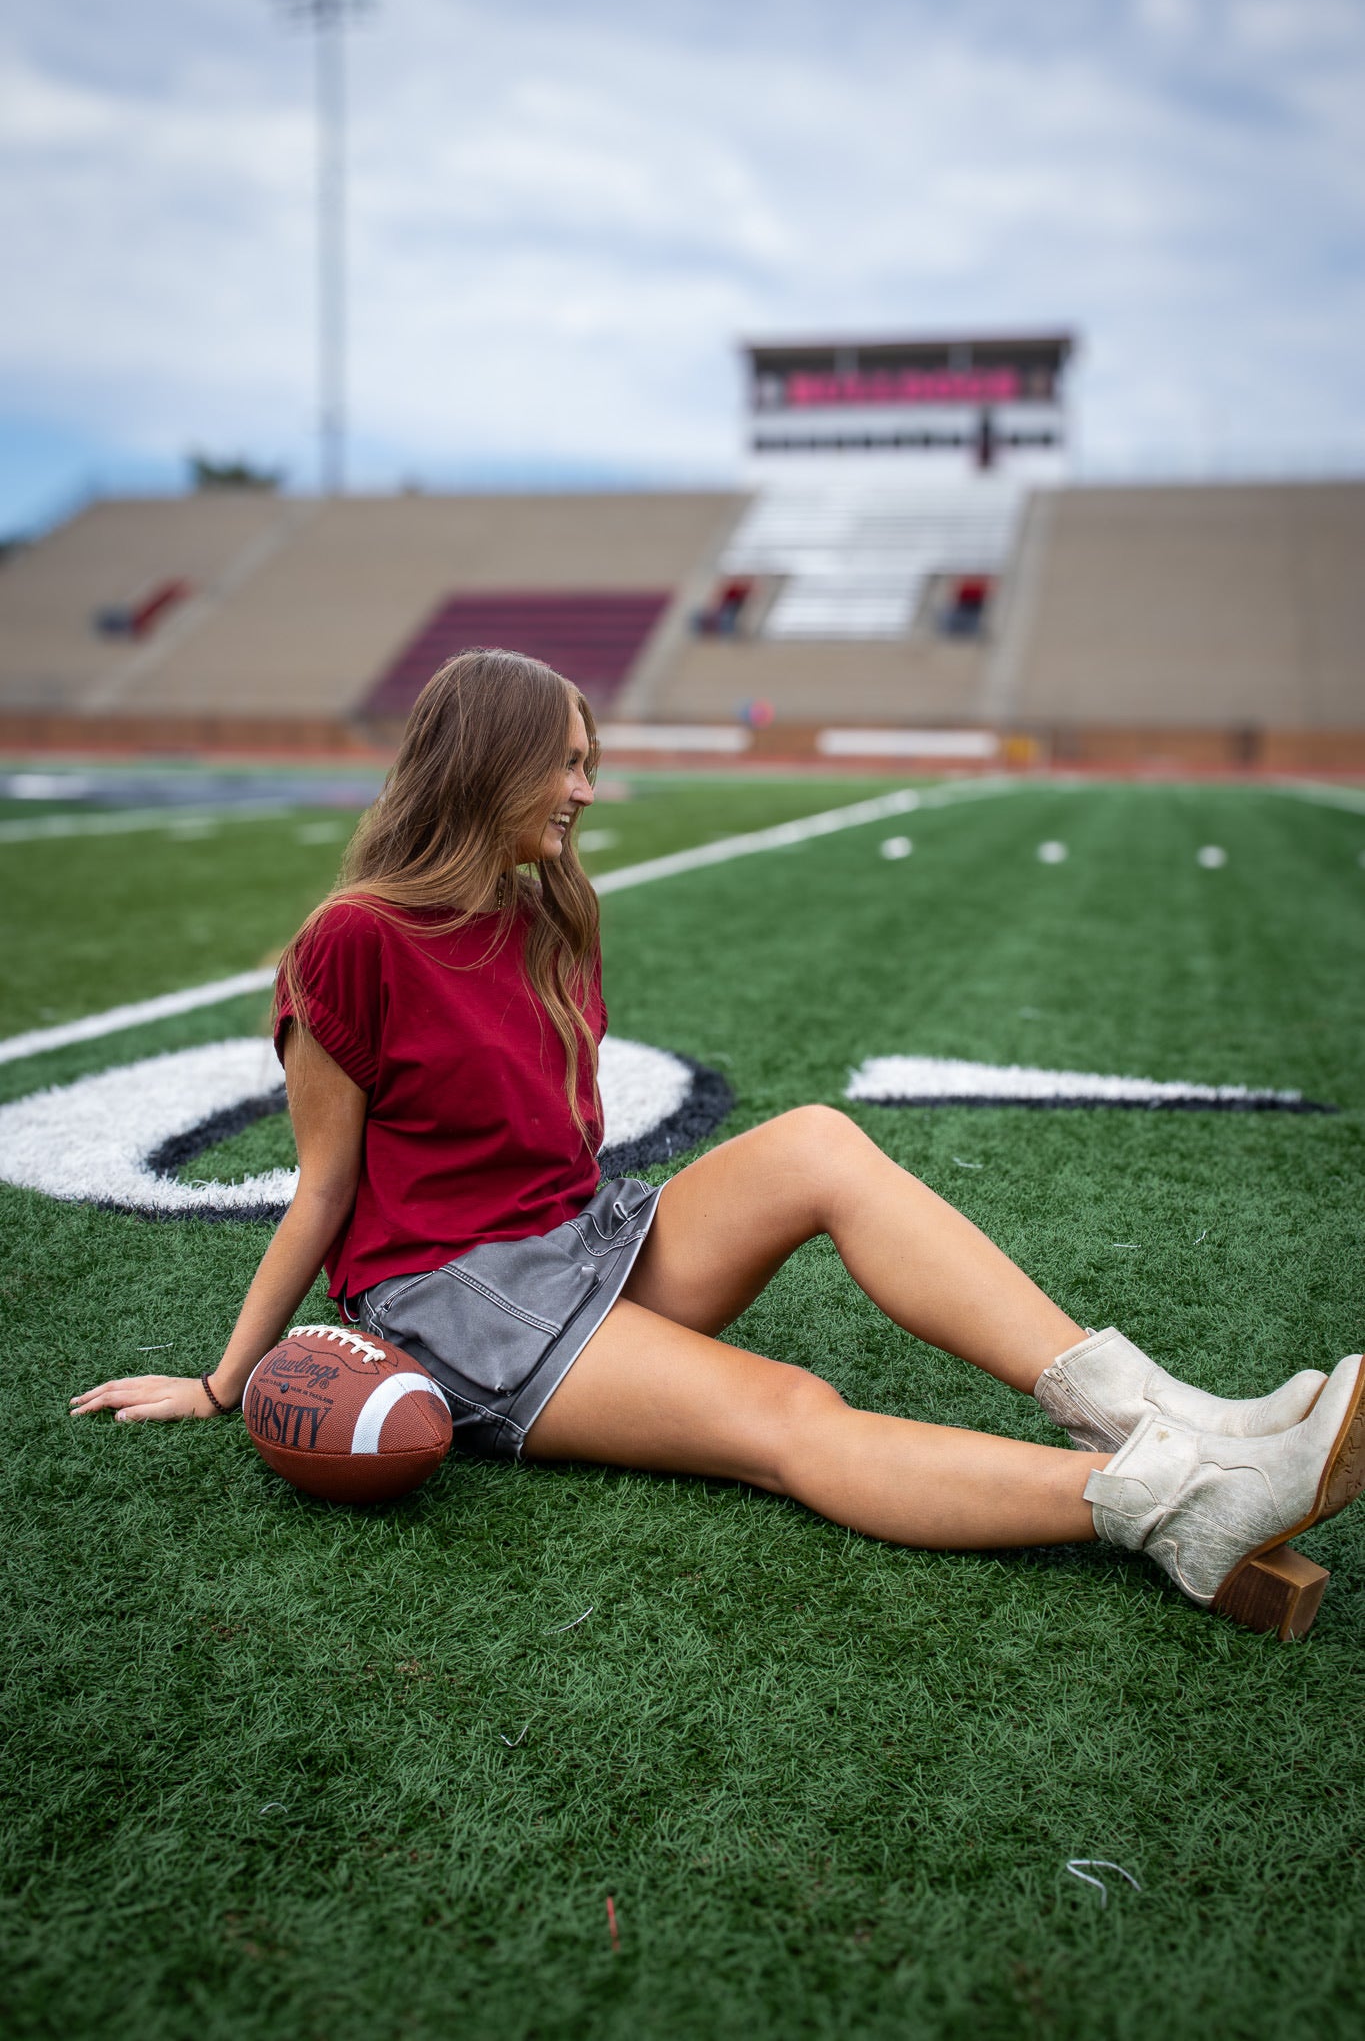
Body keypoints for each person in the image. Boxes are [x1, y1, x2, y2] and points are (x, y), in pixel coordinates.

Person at [72, 650, 1365, 1628]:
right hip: (458, 1304)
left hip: (584, 1238)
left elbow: (550, 1154)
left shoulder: (544, 919)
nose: (586, 789)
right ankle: (1185, 1509)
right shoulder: (350, 941)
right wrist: (222, 1380)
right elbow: (320, 1194)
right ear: (487, 766)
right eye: (566, 764)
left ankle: (1182, 1419)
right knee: (785, 1415)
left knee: (814, 1141)